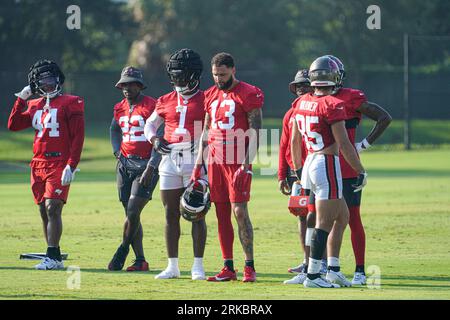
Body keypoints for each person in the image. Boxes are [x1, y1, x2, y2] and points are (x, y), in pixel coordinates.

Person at [304, 55, 392, 285]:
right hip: (326, 165)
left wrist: (363, 144)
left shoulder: (350, 98)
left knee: (349, 218)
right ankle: (317, 268)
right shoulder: (314, 100)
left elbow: (384, 117)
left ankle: (358, 270)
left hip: (343, 167)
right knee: (316, 218)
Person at [290, 56, 367, 288]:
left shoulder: (301, 101)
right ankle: (313, 276)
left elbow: (295, 141)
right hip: (327, 162)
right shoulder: (333, 104)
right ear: (335, 77)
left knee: (342, 216)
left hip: (311, 161)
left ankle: (332, 269)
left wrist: (297, 169)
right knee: (323, 222)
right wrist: (360, 170)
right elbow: (344, 144)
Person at [7, 59, 85, 270]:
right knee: (44, 210)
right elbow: (13, 125)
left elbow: (78, 136)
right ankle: (54, 252)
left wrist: (72, 164)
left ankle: (53, 257)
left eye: (51, 80)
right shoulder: (34, 105)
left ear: (59, 79)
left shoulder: (72, 101)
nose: (49, 85)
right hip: (38, 163)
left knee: (53, 208)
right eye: (43, 82)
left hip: (59, 161)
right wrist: (22, 99)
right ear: (36, 85)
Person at [193, 52, 263, 282]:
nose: (219, 79)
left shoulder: (248, 93)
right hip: (214, 160)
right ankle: (228, 267)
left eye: (223, 74)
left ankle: (249, 266)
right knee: (221, 214)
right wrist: (198, 164)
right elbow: (205, 131)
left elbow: (255, 131)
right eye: (215, 75)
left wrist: (247, 165)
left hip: (236, 160)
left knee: (240, 212)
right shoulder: (210, 94)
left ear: (233, 70)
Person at [144, 48, 207, 280]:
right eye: (175, 76)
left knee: (196, 212)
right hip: (169, 159)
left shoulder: (207, 98)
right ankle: (173, 266)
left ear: (194, 75)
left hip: (196, 160)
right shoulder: (164, 100)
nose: (178, 81)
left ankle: (197, 266)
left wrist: (205, 142)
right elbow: (149, 125)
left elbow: (216, 126)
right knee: (170, 214)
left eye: (182, 76)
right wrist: (155, 139)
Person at [108, 66, 161, 271]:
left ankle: (122, 250)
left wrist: (152, 165)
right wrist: (116, 151)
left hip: (146, 165)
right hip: (124, 163)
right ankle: (141, 261)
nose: (127, 88)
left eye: (131, 84)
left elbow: (160, 138)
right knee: (132, 214)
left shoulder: (153, 106)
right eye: (124, 84)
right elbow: (114, 128)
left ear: (139, 85)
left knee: (133, 210)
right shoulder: (119, 107)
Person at [277, 69, 314, 285]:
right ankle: (307, 259)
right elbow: (284, 145)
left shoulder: (318, 109)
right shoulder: (290, 113)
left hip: (315, 169)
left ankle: (319, 262)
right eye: (299, 85)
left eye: (306, 85)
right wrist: (282, 174)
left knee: (317, 216)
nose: (301, 88)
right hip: (295, 173)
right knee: (301, 215)